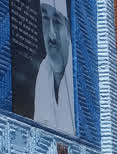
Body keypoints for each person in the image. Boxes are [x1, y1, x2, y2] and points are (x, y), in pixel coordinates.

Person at [35, 0, 75, 135]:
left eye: (57, 22)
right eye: (46, 19)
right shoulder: (43, 72)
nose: (51, 35)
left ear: (68, 29)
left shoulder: (77, 79)